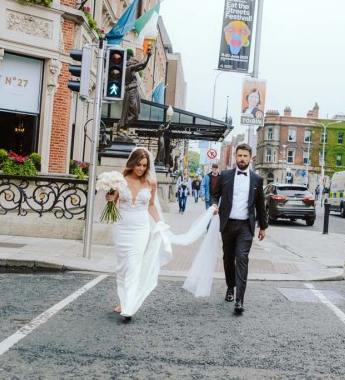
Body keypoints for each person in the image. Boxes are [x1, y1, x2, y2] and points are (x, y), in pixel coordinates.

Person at [105, 147, 214, 321]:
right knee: (123, 267)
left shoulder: (151, 182)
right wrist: (109, 199)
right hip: (122, 229)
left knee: (134, 265)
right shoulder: (120, 180)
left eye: (144, 165)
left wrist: (160, 222)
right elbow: (112, 205)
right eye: (138, 165)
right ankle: (123, 299)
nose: (141, 168)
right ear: (132, 163)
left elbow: (151, 206)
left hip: (140, 230)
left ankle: (129, 305)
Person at [209, 143, 268, 314]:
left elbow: (260, 205)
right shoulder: (225, 175)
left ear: (250, 158)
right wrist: (214, 204)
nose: (242, 159)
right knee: (228, 258)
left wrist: (263, 227)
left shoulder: (257, 179)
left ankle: (239, 299)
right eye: (239, 156)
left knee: (242, 258)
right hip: (227, 224)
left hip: (245, 226)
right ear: (236, 157)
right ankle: (230, 287)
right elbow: (215, 194)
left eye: (245, 156)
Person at [117, 49, 153, 138]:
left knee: (135, 115)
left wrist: (148, 57)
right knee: (133, 114)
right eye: (134, 63)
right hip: (130, 92)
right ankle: (120, 126)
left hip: (134, 91)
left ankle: (124, 129)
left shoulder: (132, 70)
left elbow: (143, 66)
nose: (135, 65)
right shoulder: (128, 69)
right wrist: (146, 54)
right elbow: (141, 64)